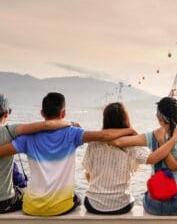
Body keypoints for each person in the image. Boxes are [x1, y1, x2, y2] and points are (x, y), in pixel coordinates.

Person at [0, 92, 136, 216]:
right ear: (63, 113)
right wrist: (129, 131)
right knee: (76, 198)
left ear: (42, 113)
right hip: (62, 207)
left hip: (32, 208)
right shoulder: (73, 133)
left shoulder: (27, 138)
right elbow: (104, 135)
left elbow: (2, 151)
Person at [83, 102, 177, 215]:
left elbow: (88, 175)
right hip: (121, 205)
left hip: (93, 205)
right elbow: (152, 158)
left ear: (105, 120)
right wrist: (172, 140)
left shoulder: (94, 143)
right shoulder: (131, 144)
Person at [0, 94, 72, 214]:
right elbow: (47, 125)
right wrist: (70, 123)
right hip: (4, 203)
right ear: (6, 114)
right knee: (27, 193)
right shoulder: (8, 131)